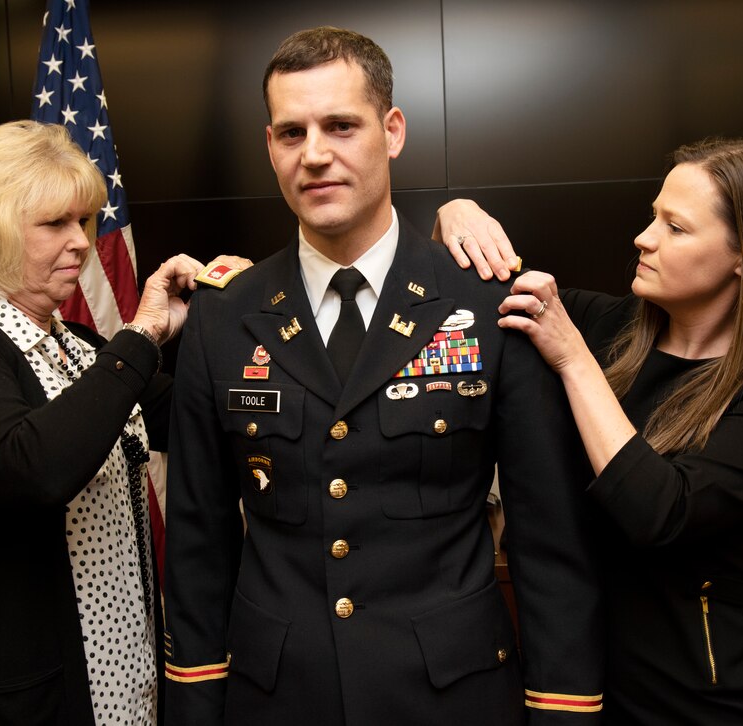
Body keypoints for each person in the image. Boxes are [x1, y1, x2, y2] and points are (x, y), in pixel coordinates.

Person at [162, 26, 603, 725]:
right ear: (268, 146)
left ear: (392, 131)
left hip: (451, 698)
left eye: (341, 126)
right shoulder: (224, 317)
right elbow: (196, 543)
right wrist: (192, 705)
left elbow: (549, 541)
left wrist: (564, 710)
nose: (314, 155)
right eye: (290, 133)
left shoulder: (486, 303)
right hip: (277, 699)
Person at [435, 138, 743, 724]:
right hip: (577, 696)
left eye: (675, 227)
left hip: (703, 706)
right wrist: (456, 214)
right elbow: (469, 298)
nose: (643, 238)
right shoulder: (606, 323)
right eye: (654, 216)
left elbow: (661, 511)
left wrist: (573, 360)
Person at [0, 119, 244, 725]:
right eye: (55, 224)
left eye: (83, 221)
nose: (81, 242)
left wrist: (229, 316)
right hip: (18, 699)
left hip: (126, 675)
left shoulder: (83, 346)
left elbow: (203, 425)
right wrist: (140, 337)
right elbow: (33, 467)